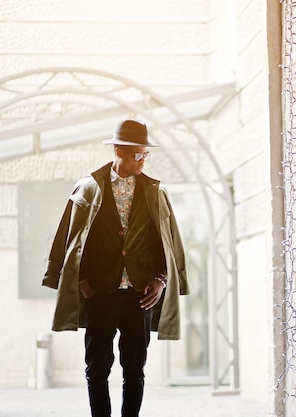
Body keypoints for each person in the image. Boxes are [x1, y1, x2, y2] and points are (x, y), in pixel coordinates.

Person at [42, 119, 190, 417]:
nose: (143, 159)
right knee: (97, 367)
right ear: (119, 151)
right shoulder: (89, 188)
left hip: (140, 294)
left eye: (146, 154)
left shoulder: (154, 192)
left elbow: (166, 241)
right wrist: (82, 281)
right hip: (100, 292)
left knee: (134, 369)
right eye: (139, 154)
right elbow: (71, 237)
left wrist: (161, 280)